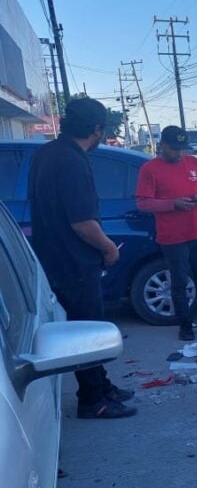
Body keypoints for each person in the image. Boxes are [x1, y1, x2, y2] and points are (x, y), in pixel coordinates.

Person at [28, 97, 137, 419]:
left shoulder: (47, 153)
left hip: (57, 259)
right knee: (87, 333)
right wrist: (109, 248)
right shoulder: (72, 161)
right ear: (97, 129)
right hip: (74, 262)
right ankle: (93, 400)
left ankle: (102, 386)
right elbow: (82, 223)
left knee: (87, 327)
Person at [135, 126, 197, 342]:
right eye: (174, 149)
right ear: (162, 146)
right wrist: (173, 204)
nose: (179, 154)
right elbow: (143, 203)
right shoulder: (150, 169)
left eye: (182, 149)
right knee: (179, 281)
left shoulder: (194, 163)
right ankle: (185, 325)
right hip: (173, 236)